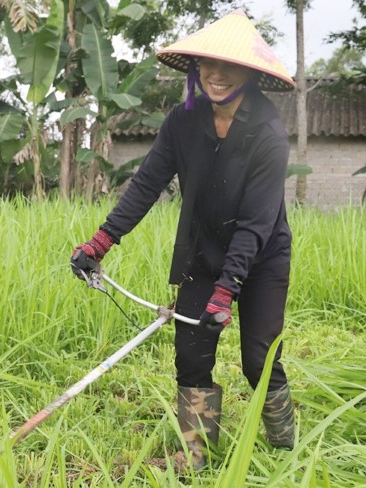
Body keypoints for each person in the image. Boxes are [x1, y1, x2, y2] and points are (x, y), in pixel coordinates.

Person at [70, 9, 296, 470]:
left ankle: (285, 442)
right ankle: (196, 451)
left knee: (258, 358)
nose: (216, 75)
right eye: (207, 65)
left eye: (230, 66)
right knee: (191, 354)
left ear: (250, 74)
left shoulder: (268, 133)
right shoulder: (183, 120)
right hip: (203, 250)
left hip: (261, 257)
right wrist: (100, 242)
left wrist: (226, 291)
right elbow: (146, 183)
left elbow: (257, 222)